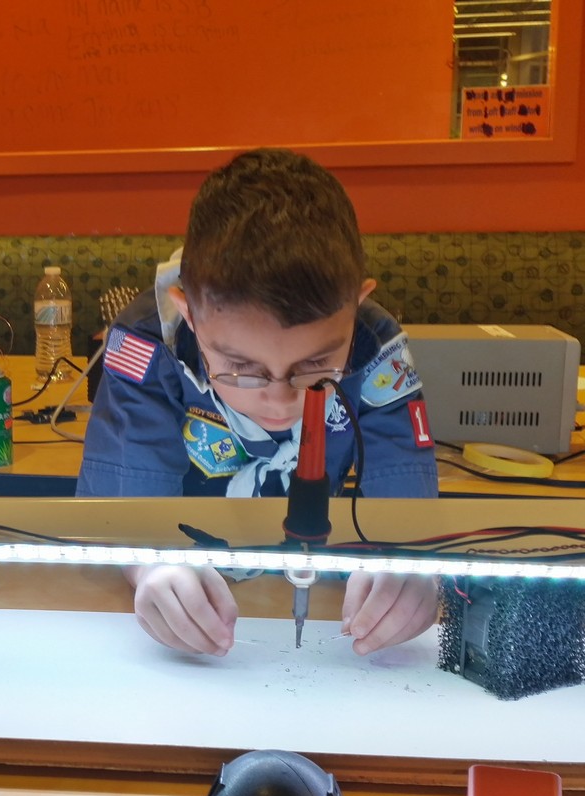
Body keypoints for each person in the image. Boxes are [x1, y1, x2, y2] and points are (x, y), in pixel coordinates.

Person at [77, 148, 439, 658]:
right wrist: (150, 565)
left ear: (355, 310)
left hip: (318, 599)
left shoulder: (378, 350)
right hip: (191, 596)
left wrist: (410, 570)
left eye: (316, 366)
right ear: (190, 316)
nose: (279, 399)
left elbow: (410, 518)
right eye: (242, 368)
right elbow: (125, 513)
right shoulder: (147, 342)